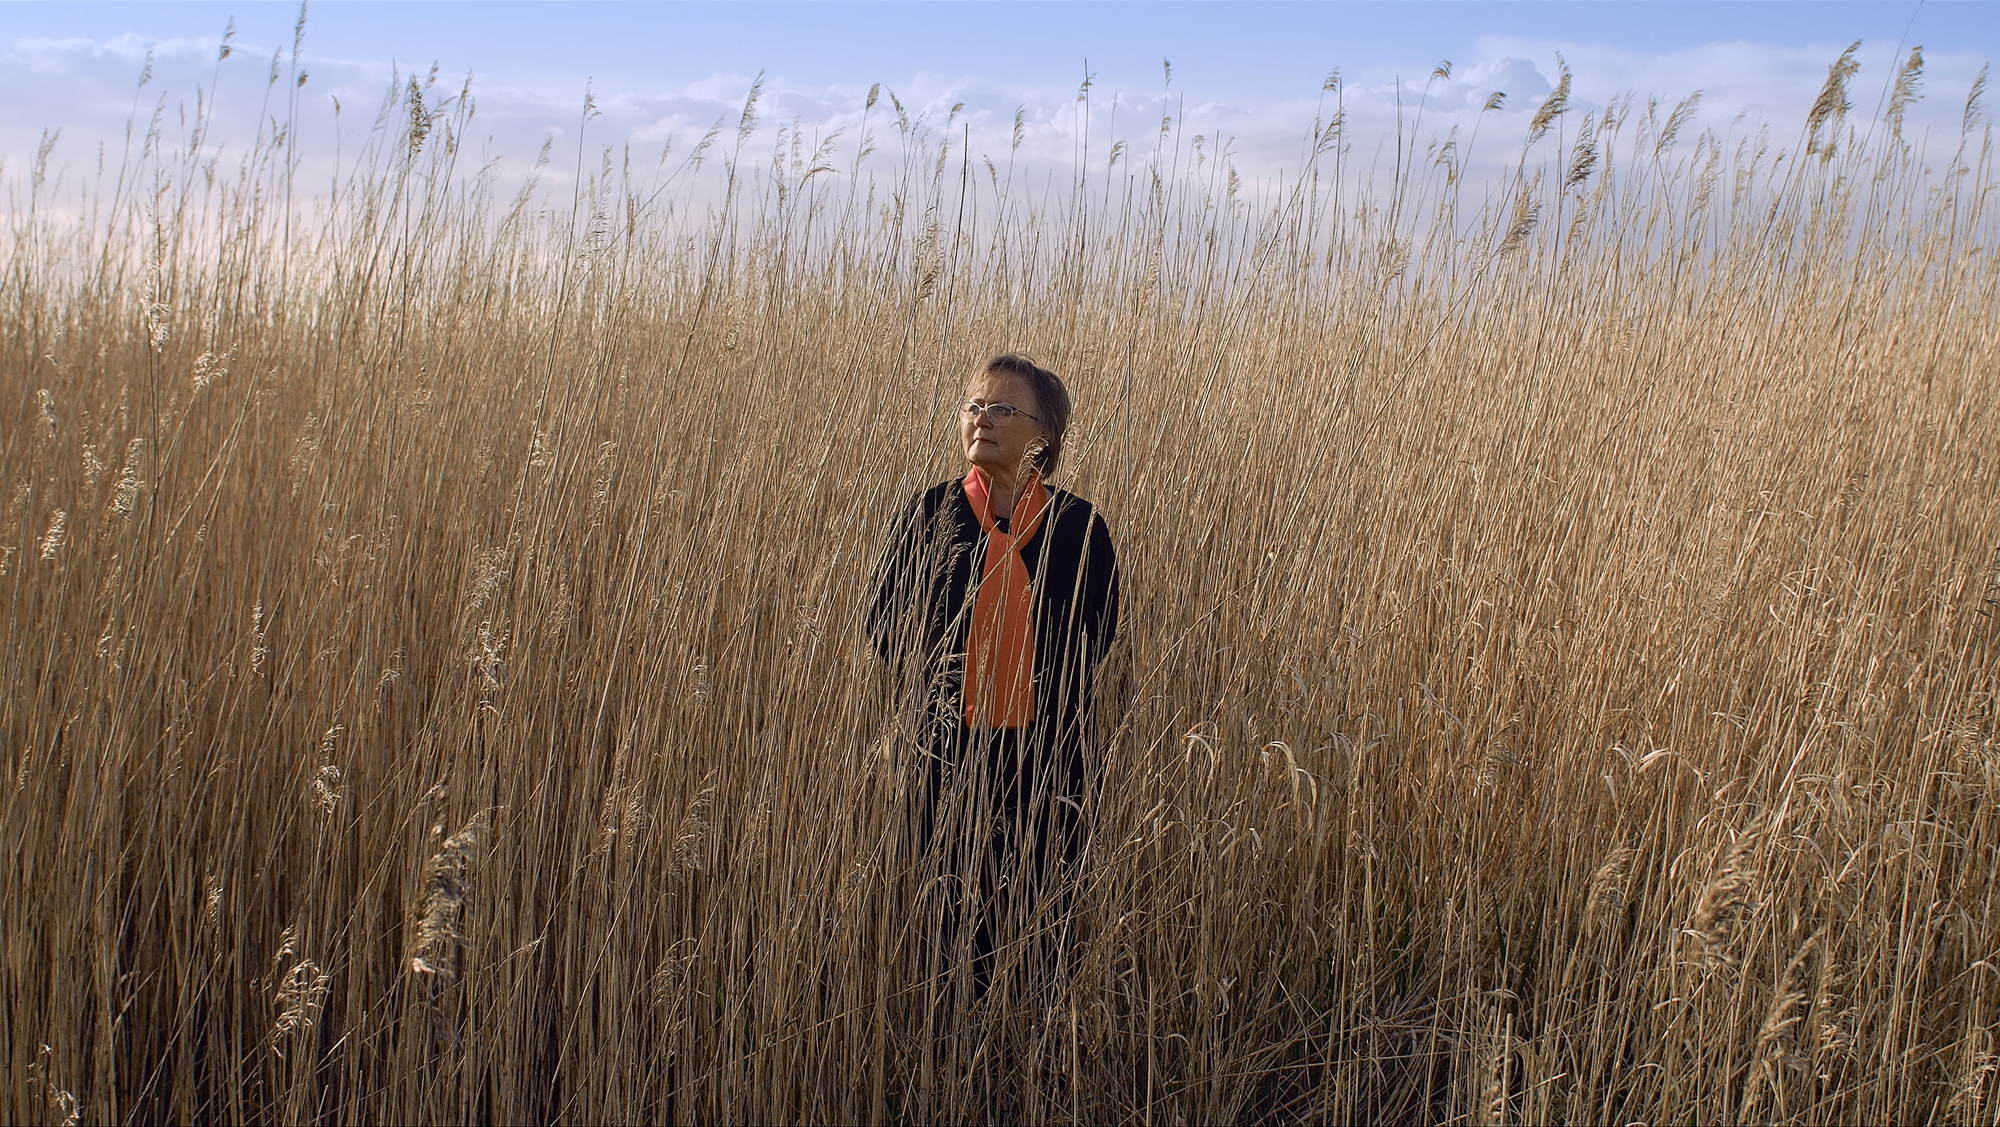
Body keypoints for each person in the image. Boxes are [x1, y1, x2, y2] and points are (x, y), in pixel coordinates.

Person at [867, 354, 1121, 1002]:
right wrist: (949, 682)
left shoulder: (1080, 529)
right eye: (974, 406)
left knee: (1044, 940)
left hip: (1049, 764)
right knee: (950, 944)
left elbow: (1098, 634)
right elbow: (884, 625)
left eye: (1002, 408)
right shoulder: (929, 516)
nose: (981, 419)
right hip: (947, 762)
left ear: (1044, 435)